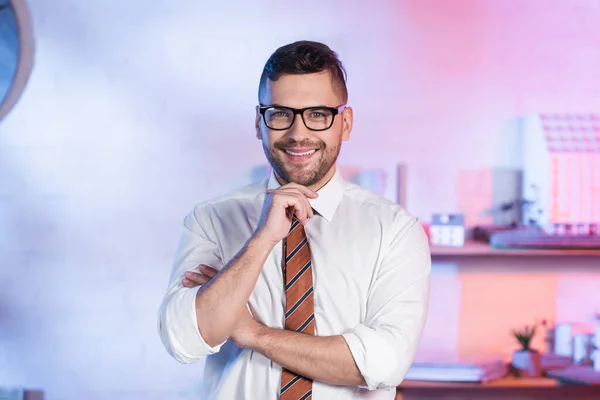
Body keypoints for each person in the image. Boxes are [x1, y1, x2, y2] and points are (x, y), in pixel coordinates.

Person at [157, 40, 431, 400]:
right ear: (260, 123)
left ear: (345, 124)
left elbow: (382, 364)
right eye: (281, 113)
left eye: (317, 113)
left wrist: (250, 332)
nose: (298, 133)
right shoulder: (211, 219)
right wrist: (261, 241)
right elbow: (184, 340)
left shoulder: (394, 231)